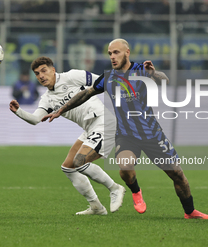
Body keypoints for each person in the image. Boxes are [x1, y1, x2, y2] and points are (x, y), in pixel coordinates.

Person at [42, 39, 208, 220]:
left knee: (177, 175)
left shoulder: (141, 70)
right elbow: (86, 93)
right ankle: (136, 191)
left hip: (152, 134)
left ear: (127, 52)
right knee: (125, 167)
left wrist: (154, 73)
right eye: (110, 53)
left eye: (116, 52)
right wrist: (60, 110)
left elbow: (164, 80)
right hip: (126, 135)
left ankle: (190, 212)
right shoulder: (108, 77)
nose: (112, 57)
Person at [9, 56, 125, 215]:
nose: (41, 76)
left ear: (53, 70)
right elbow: (36, 119)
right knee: (68, 167)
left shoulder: (72, 76)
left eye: (44, 71)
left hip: (103, 122)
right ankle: (96, 206)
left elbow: (104, 82)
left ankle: (115, 188)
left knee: (80, 161)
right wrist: (18, 112)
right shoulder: (47, 99)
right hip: (89, 128)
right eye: (37, 74)